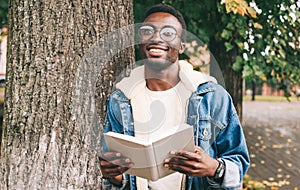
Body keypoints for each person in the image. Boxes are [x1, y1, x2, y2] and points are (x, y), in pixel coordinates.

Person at [100, 4, 250, 190]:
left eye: (168, 33)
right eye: (148, 31)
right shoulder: (120, 101)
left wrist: (212, 167)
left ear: (181, 46)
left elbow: (239, 162)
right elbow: (115, 179)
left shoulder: (213, 97)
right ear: (139, 42)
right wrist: (115, 177)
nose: (156, 38)